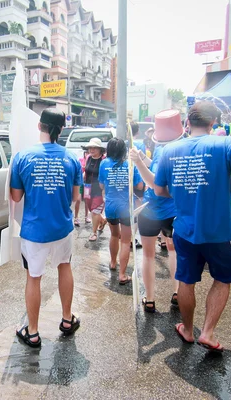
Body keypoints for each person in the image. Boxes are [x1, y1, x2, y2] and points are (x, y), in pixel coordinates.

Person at [154, 101, 231, 352]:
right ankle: (207, 332)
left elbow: (160, 190)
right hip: (219, 232)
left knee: (186, 280)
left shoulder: (169, 150)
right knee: (223, 279)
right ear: (213, 123)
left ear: (187, 123)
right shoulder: (226, 144)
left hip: (184, 230)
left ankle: (186, 329)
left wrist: (185, 189)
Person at [10, 108, 83, 348]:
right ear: (61, 130)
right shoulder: (71, 158)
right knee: (65, 267)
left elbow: (16, 197)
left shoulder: (22, 157)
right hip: (62, 227)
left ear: (39, 126)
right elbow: (75, 196)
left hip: (34, 231)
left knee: (33, 277)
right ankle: (66, 319)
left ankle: (32, 332)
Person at [129, 109, 184, 312]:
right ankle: (177, 292)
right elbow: (159, 170)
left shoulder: (164, 150)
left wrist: (137, 163)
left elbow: (153, 183)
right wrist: (143, 157)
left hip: (153, 210)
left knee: (149, 255)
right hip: (174, 210)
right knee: (173, 251)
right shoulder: (181, 148)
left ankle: (150, 298)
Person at [99, 138, 143, 284]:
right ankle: (122, 274)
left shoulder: (104, 163)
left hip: (111, 205)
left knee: (113, 235)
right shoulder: (130, 164)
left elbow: (100, 185)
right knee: (125, 241)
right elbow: (139, 185)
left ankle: (112, 263)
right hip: (126, 207)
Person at [83, 138, 107, 241]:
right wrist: (84, 175)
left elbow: (106, 176)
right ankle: (102, 221)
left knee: (95, 212)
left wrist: (105, 191)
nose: (91, 150)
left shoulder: (104, 160)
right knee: (91, 209)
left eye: (94, 148)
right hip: (87, 187)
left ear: (100, 149)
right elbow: (86, 170)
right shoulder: (88, 158)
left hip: (99, 189)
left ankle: (94, 233)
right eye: (90, 148)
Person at [74, 150, 90, 226]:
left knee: (87, 200)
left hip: (87, 183)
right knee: (78, 199)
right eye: (86, 152)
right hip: (80, 182)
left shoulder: (91, 161)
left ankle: (86, 217)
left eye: (88, 152)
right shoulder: (80, 160)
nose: (87, 154)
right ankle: (76, 217)